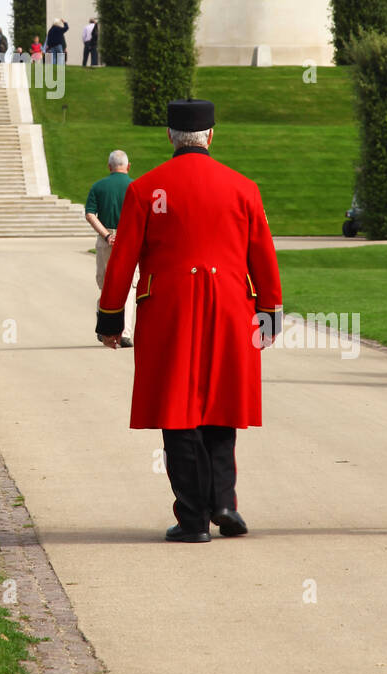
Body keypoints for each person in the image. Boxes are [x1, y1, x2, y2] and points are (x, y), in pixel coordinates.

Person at [97, 99, 282, 543]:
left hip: (169, 308)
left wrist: (110, 319)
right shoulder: (244, 187)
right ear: (211, 136)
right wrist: (270, 313)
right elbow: (264, 257)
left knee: (176, 410)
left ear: (169, 137)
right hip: (232, 306)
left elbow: (122, 262)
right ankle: (223, 501)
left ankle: (194, 518)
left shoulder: (146, 188)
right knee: (221, 403)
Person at [86, 150, 134, 347]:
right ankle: (125, 332)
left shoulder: (98, 186)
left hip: (106, 240)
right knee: (129, 286)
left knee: (106, 284)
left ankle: (105, 325)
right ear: (128, 166)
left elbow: (90, 214)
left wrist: (106, 235)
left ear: (109, 166)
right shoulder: (135, 187)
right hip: (130, 240)